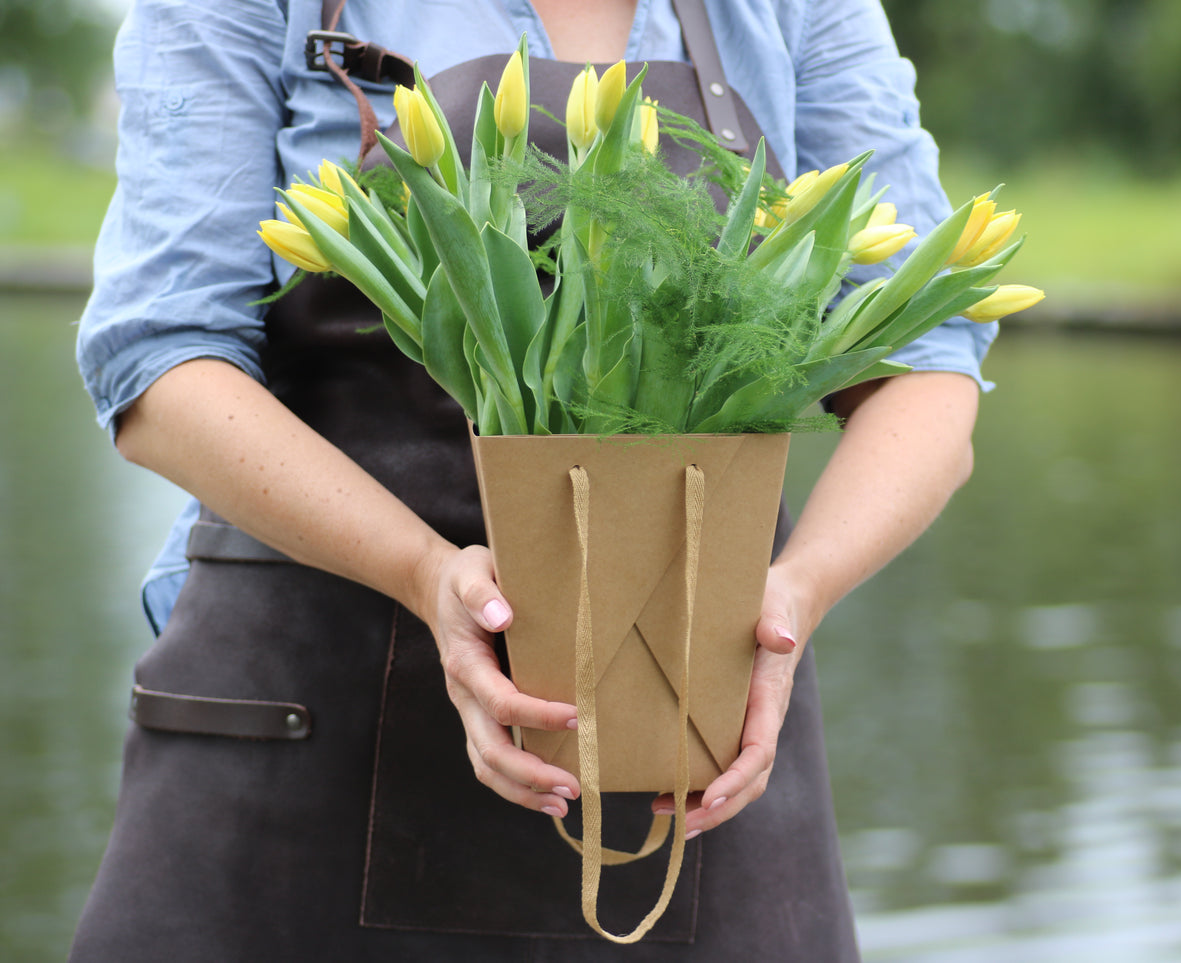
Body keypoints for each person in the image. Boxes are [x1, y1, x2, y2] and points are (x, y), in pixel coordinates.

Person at [72, 0, 995, 958]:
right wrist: (426, 575)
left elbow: (927, 367)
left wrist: (793, 595)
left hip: (698, 733)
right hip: (299, 724)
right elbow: (161, 364)